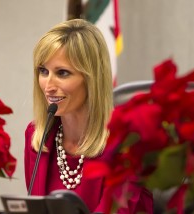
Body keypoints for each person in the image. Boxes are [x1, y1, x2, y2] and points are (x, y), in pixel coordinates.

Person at [24, 18, 153, 213]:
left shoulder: (125, 142)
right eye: (43, 71)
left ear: (91, 79)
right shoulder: (37, 137)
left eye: (62, 73)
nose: (48, 86)